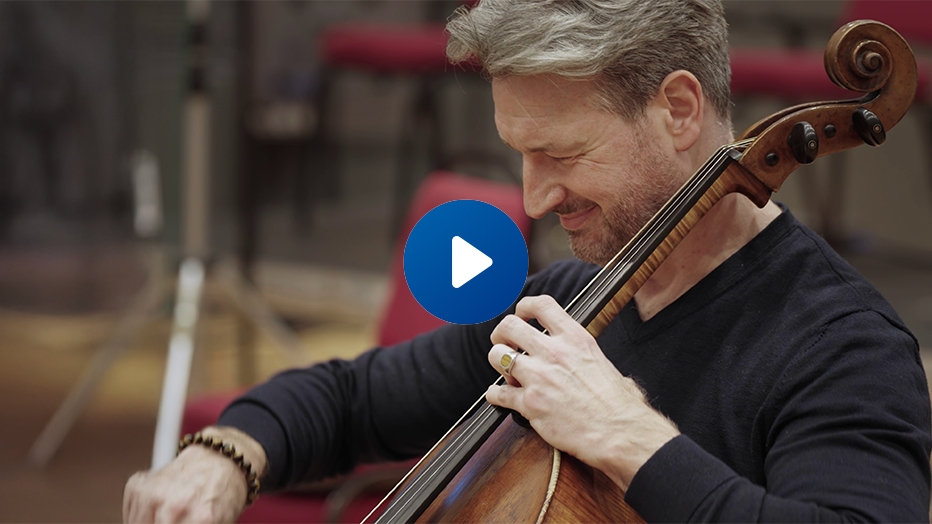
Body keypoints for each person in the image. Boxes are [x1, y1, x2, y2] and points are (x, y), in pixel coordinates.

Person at [123, 0, 932, 522]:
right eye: (519, 154)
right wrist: (224, 457)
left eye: (560, 153)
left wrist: (628, 438)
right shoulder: (568, 309)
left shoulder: (840, 345)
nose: (535, 198)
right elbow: (349, 399)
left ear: (678, 110)